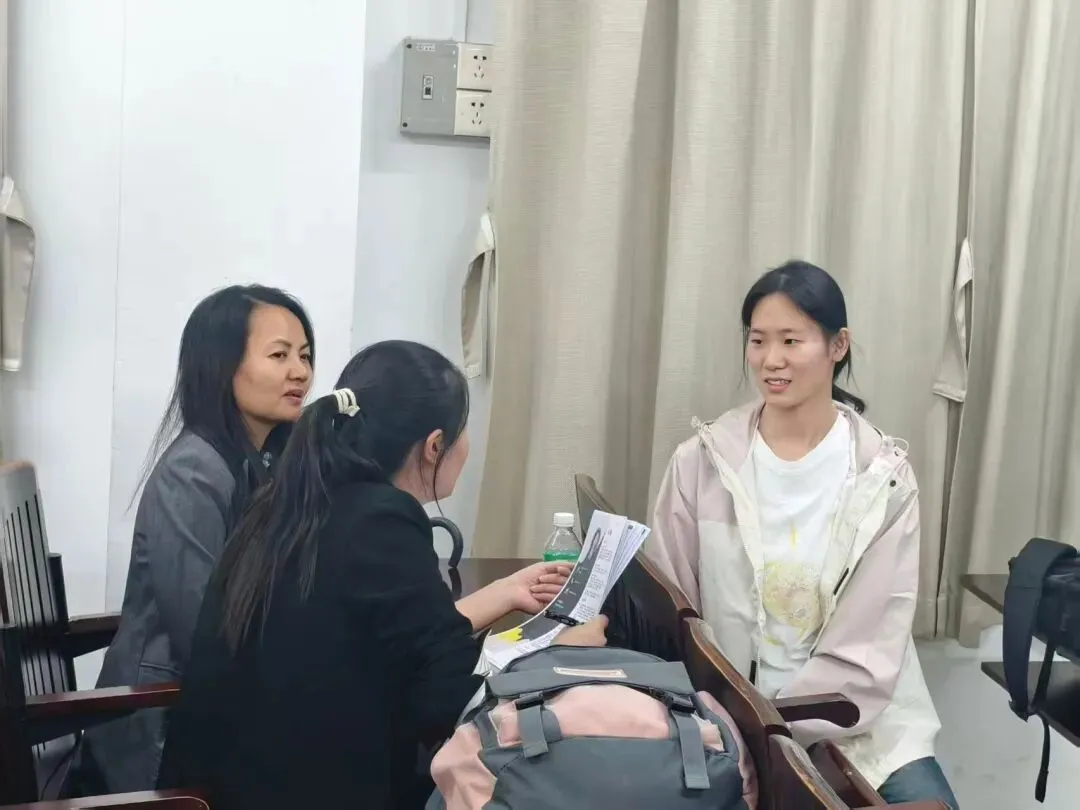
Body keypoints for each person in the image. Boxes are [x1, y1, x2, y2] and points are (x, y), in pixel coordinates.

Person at [156, 340, 608, 810]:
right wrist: (560, 654)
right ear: (434, 446)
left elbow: (388, 636)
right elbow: (448, 699)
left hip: (228, 788)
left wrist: (504, 592)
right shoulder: (381, 520)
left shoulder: (293, 499)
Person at [646, 261, 958, 809]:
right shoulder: (701, 463)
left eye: (791, 340)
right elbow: (671, 609)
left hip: (860, 726)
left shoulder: (882, 479)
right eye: (758, 340)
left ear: (838, 346)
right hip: (725, 718)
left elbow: (869, 644)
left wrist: (777, 725)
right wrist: (727, 718)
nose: (772, 359)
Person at [78, 284, 315, 794]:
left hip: (209, 700)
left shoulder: (261, 462)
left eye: (304, 355)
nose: (300, 371)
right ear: (223, 367)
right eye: (279, 355)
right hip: (162, 721)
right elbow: (204, 629)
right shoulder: (194, 471)